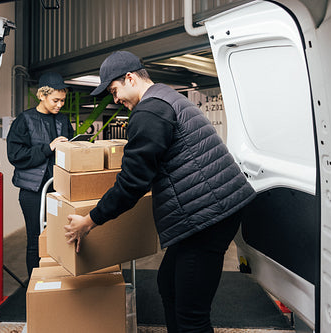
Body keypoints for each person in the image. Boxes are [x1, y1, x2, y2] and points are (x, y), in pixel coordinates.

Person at [64, 51, 256, 332]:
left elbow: (133, 182)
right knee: (168, 284)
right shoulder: (166, 96)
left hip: (206, 218)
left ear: (130, 78)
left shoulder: (150, 110)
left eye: (114, 90)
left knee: (192, 314)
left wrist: (89, 221)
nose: (115, 100)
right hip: (208, 211)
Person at [7, 72, 74, 277]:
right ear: (42, 95)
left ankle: (56, 280)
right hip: (33, 192)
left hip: (58, 189)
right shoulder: (24, 120)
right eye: (55, 100)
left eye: (62, 100)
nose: (60, 105)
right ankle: (35, 284)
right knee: (36, 239)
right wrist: (49, 148)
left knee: (59, 237)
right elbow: (15, 155)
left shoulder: (62, 120)